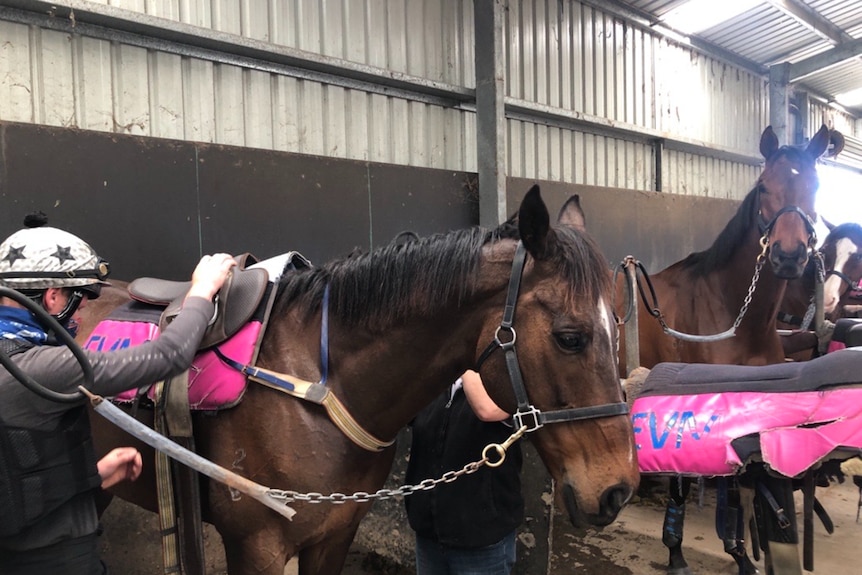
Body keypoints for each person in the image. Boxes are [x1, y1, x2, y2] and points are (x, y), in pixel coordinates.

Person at [0, 214, 236, 574]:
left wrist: (92, 475)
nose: (83, 308)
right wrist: (201, 292)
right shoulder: (43, 367)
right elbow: (167, 356)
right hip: (59, 559)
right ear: (52, 297)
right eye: (80, 299)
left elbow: (18, 468)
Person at [405, 369, 524, 575]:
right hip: (429, 531)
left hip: (480, 540)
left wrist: (461, 360)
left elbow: (487, 409)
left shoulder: (505, 380)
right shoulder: (436, 381)